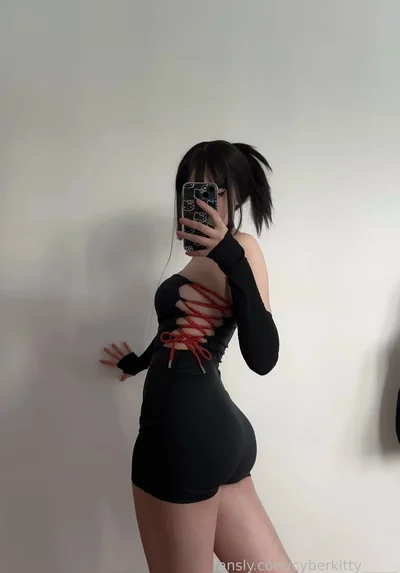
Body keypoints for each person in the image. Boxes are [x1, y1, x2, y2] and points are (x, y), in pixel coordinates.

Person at [99, 140, 295, 573]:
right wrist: (137, 362)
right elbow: (178, 333)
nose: (201, 199)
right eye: (192, 188)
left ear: (236, 197)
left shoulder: (241, 248)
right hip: (215, 435)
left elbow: (263, 356)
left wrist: (229, 255)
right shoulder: (198, 260)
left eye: (213, 190)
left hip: (180, 434)